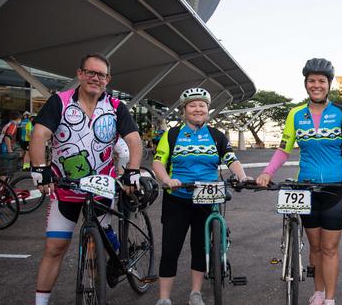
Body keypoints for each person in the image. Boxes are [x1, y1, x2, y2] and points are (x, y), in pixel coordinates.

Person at [29, 53, 143, 305]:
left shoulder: (115, 107)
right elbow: (39, 135)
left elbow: (134, 140)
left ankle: (97, 291)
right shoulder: (59, 101)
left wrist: (133, 170)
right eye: (89, 72)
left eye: (100, 74)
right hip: (67, 189)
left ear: (107, 79)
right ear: (79, 74)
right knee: (55, 248)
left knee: (96, 251)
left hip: (101, 188)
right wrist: (39, 167)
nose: (95, 78)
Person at [256, 58, 342, 305]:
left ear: (328, 84)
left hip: (336, 187)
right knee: (315, 247)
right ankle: (319, 292)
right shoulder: (295, 115)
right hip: (306, 188)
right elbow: (283, 149)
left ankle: (330, 299)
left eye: (321, 81)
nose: (316, 85)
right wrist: (268, 172)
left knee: (330, 247)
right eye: (311, 81)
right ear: (306, 84)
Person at [153, 87, 250, 305]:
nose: (198, 109)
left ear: (207, 110)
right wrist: (167, 179)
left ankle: (195, 293)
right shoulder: (172, 135)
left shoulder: (217, 136)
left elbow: (231, 159)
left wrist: (242, 176)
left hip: (207, 197)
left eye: (202, 105)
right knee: (170, 248)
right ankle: (164, 298)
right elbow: (158, 161)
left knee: (200, 247)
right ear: (184, 110)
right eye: (192, 105)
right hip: (177, 197)